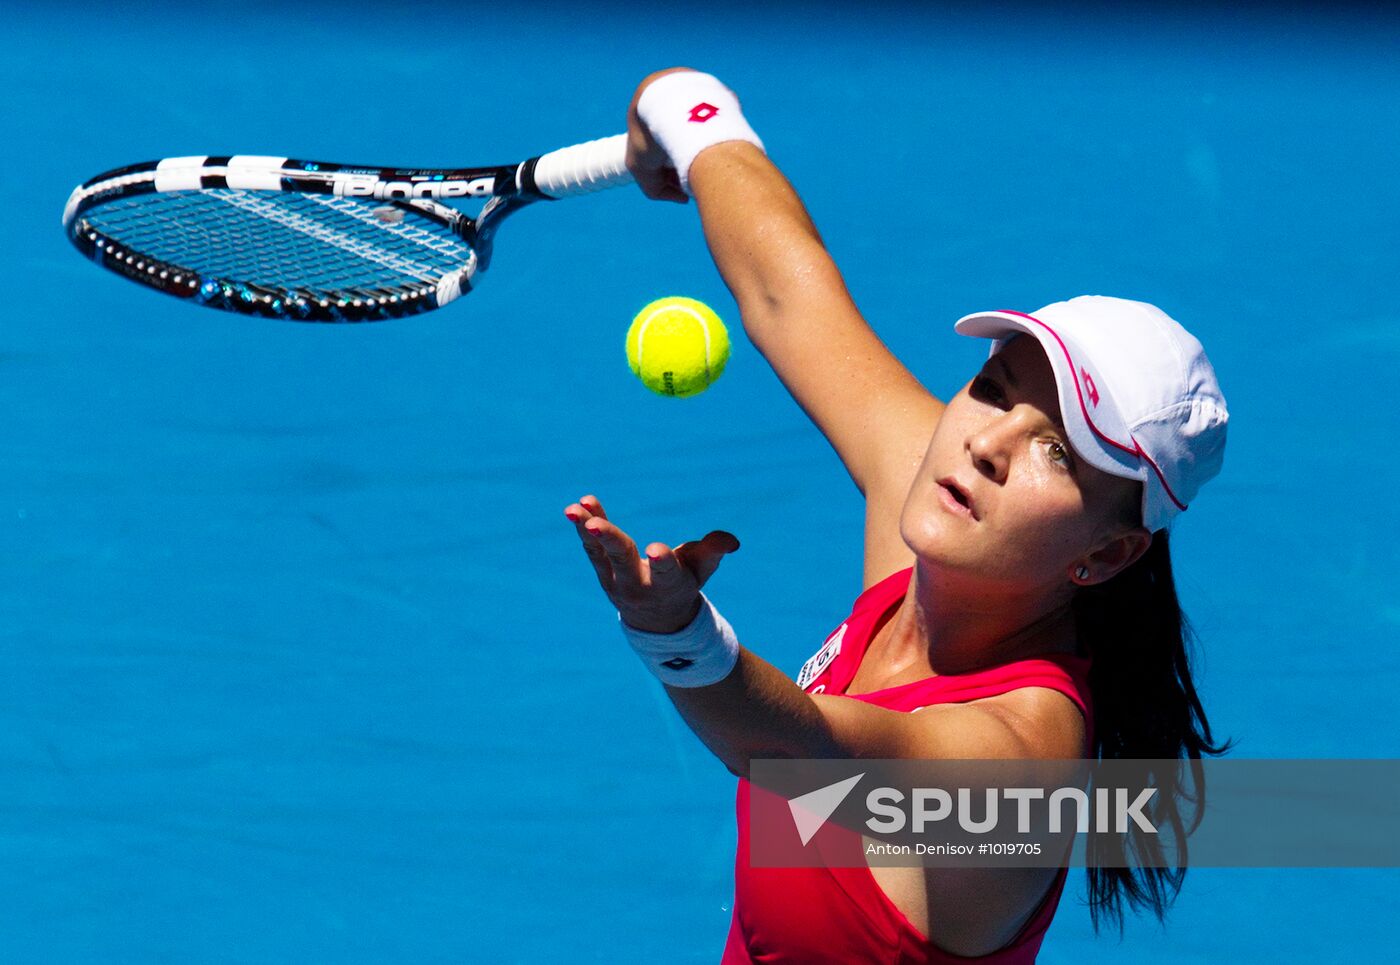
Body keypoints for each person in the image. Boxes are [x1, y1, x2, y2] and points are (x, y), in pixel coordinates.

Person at [563, 68, 1231, 964]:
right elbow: (786, 293)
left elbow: (791, 751)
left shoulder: (1018, 766)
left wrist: (674, 629)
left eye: (1058, 452)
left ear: (1108, 554)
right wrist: (692, 113)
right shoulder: (942, 513)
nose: (987, 443)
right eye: (994, 390)